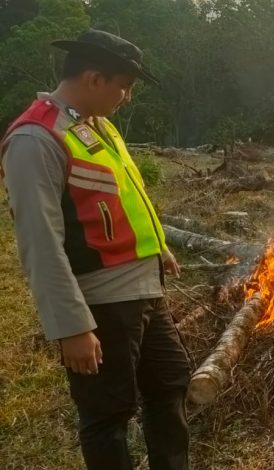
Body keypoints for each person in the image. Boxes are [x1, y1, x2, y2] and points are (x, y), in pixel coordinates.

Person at [0, 29, 190, 470]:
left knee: (171, 382)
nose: (126, 96)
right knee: (108, 414)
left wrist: (157, 247)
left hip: (143, 291)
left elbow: (123, 193)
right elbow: (39, 243)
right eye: (124, 85)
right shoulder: (36, 139)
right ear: (93, 78)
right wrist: (71, 326)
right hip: (102, 303)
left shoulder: (94, 125)